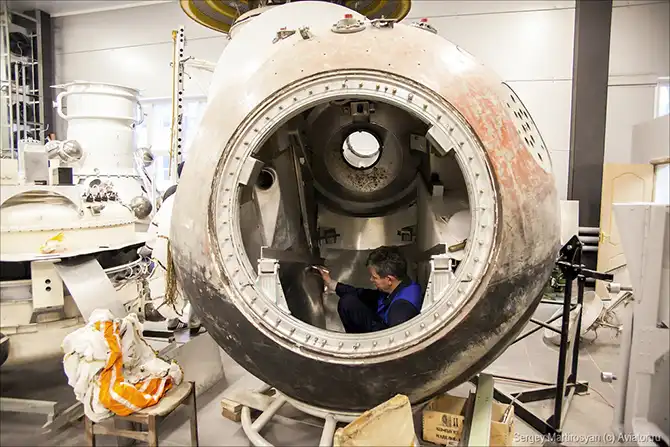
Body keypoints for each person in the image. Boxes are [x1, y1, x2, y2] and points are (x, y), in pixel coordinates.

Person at [316, 246, 423, 333]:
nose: (371, 280)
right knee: (350, 301)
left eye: (374, 277)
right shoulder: (401, 285)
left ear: (389, 279)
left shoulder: (401, 309)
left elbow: (393, 343)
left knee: (347, 303)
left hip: (384, 334)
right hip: (384, 317)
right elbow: (362, 294)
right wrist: (331, 283)